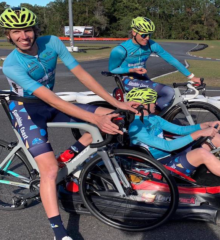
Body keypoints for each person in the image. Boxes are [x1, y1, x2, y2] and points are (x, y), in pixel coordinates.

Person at [0, 7, 138, 240]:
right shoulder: (12, 65)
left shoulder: (52, 43)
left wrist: (116, 102)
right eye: (16, 32)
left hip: (49, 103)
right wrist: (93, 118)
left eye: (27, 30)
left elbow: (81, 73)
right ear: (8, 35)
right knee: (50, 171)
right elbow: (51, 98)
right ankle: (59, 233)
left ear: (35, 30)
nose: (23, 36)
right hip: (26, 110)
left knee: (112, 117)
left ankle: (68, 160)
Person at [127, 87, 220, 183]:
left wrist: (205, 126)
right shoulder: (136, 127)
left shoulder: (154, 118)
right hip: (160, 166)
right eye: (152, 101)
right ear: (142, 104)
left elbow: (179, 131)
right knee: (201, 153)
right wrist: (199, 133)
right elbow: (168, 145)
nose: (156, 104)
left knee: (214, 137)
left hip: (171, 155)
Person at [108, 16, 201, 112]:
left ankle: (151, 118)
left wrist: (191, 76)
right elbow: (112, 70)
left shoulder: (151, 45)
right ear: (134, 32)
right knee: (168, 92)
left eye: (149, 35)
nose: (147, 38)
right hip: (127, 80)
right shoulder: (120, 50)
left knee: (160, 96)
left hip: (143, 78)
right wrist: (132, 70)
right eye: (144, 35)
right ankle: (152, 120)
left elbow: (171, 59)